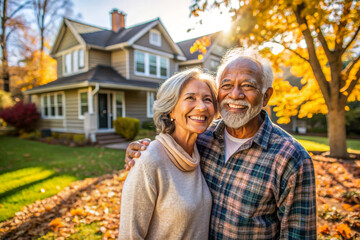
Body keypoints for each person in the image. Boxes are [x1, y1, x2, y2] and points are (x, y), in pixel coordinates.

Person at [125, 48, 317, 239]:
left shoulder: (292, 159)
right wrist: (143, 152)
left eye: (248, 86)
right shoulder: (203, 136)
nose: (235, 94)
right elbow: (170, 148)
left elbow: (298, 235)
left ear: (266, 96)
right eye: (226, 85)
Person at [119, 68, 218, 239]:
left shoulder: (202, 150)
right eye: (190, 98)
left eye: (207, 99)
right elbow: (129, 235)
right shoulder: (148, 160)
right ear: (171, 109)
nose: (201, 107)